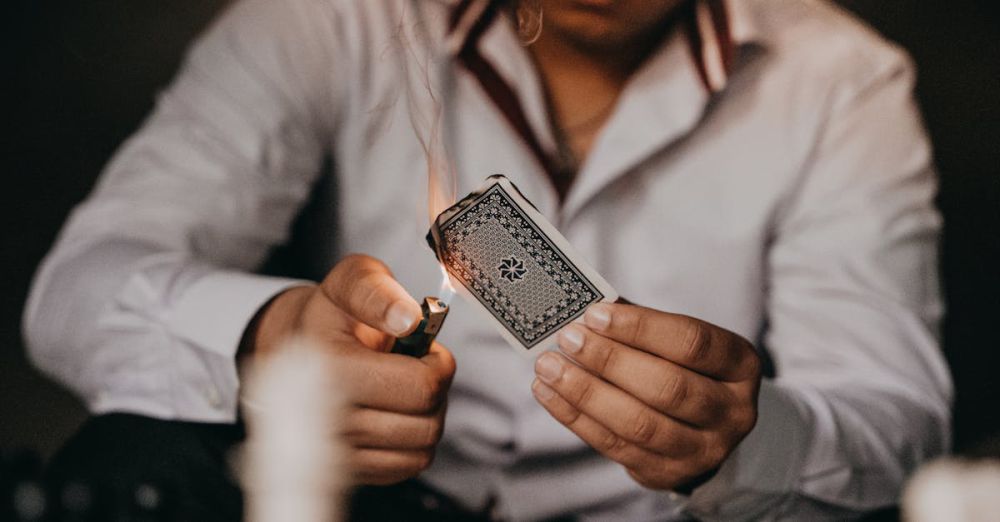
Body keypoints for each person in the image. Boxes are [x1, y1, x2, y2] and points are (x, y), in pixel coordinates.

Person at [23, 0, 951, 520]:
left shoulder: (839, 82)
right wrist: (268, 343)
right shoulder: (332, 18)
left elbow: (893, 420)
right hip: (369, 513)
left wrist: (740, 437)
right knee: (134, 451)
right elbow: (80, 287)